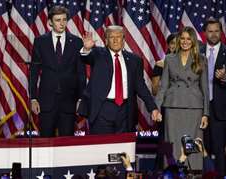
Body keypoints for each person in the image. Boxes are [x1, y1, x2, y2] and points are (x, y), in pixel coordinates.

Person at [78, 25, 161, 134]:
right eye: (112, 37)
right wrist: (87, 49)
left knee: (123, 148)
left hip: (125, 111)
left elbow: (141, 87)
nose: (116, 40)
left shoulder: (134, 60)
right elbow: (86, 57)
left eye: (119, 37)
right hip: (102, 109)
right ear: (106, 41)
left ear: (124, 40)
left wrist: (153, 108)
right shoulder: (98, 54)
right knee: (103, 146)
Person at [156, 26, 209, 170]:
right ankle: (172, 174)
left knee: (193, 146)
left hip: (194, 108)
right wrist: (157, 108)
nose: (185, 42)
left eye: (188, 39)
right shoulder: (169, 58)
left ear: (193, 41)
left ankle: (194, 173)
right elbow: (163, 86)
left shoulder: (201, 59)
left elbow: (205, 89)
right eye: (183, 39)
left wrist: (205, 113)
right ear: (179, 40)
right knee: (173, 145)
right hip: (173, 107)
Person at [30, 5, 86, 137]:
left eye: (64, 20)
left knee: (66, 144)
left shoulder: (77, 42)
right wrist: (33, 98)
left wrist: (80, 98)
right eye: (57, 20)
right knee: (45, 142)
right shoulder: (40, 41)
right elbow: (34, 71)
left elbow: (81, 73)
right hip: (46, 102)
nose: (62, 23)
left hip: (69, 102)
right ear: (50, 22)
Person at [201, 18, 226, 175]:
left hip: (220, 112)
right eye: (210, 31)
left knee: (219, 151)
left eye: (217, 31)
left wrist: (224, 77)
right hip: (199, 109)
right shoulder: (197, 52)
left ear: (221, 32)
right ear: (205, 33)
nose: (214, 34)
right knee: (200, 149)